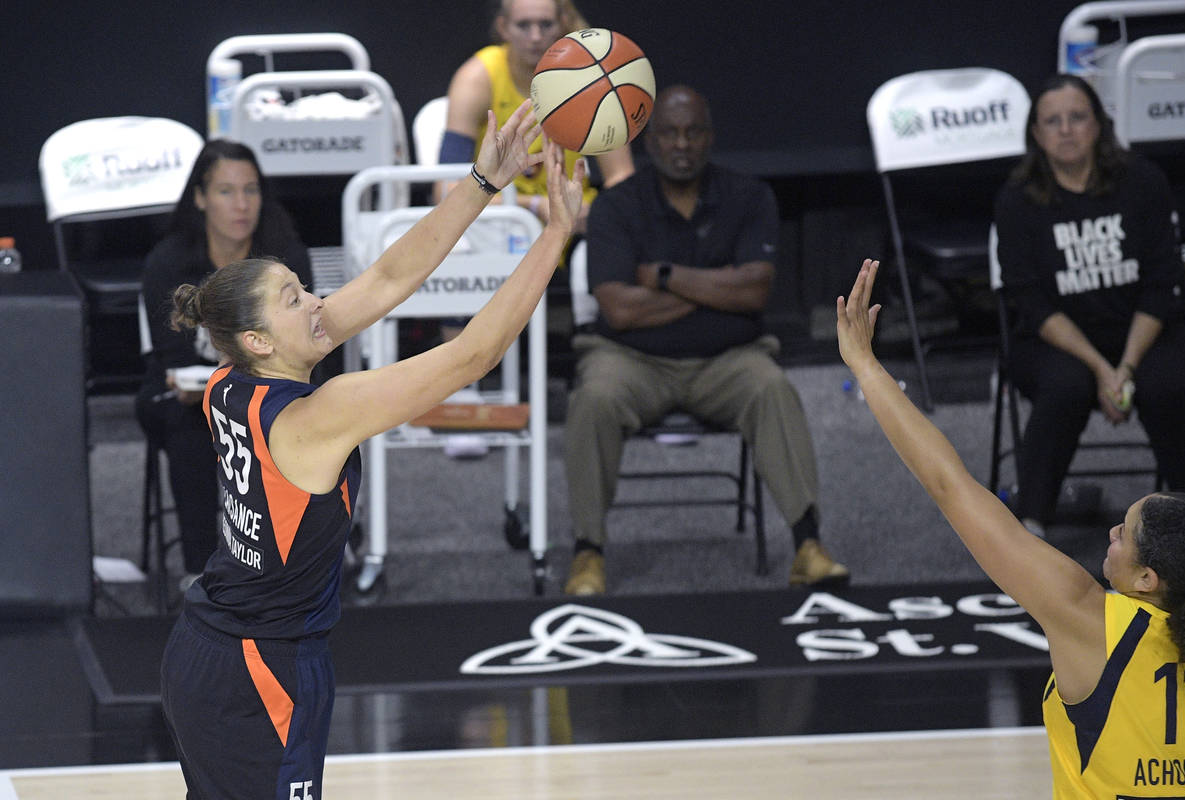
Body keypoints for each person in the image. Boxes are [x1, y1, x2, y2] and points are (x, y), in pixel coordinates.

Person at [159, 102, 583, 799]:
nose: (318, 302)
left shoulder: (228, 380)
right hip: (261, 670)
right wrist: (555, 236)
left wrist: (484, 178)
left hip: (206, 644)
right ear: (261, 340)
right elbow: (472, 356)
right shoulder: (316, 417)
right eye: (296, 299)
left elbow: (388, 279)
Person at [837, 257, 1185, 798]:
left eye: (1124, 533)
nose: (1109, 534)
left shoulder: (1089, 620)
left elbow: (950, 484)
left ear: (1149, 578)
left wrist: (866, 365)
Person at [562, 85, 842, 595]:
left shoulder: (749, 196)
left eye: (693, 132)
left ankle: (809, 545)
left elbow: (755, 291)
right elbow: (620, 309)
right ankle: (588, 553)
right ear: (651, 143)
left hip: (727, 360)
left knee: (772, 388)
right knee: (593, 399)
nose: (682, 144)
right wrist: (717, 285)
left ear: (710, 139)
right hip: (631, 360)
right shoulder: (615, 207)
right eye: (669, 133)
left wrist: (665, 277)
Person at [993, 74, 1185, 537]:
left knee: (1163, 387)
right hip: (1058, 339)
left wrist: (1124, 367)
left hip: (1147, 328)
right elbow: (1028, 300)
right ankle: (1031, 524)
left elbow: (1163, 283)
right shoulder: (1016, 200)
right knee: (1066, 385)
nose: (1066, 130)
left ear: (1098, 125)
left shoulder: (1143, 182)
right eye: (1053, 121)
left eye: (1077, 117)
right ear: (1036, 133)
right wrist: (1102, 370)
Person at [136, 139, 314, 589]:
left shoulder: (284, 258)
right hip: (189, 395)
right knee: (190, 425)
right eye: (225, 191)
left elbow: (304, 346)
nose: (241, 205)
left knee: (301, 419)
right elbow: (171, 356)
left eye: (251, 190)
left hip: (275, 389)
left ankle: (300, 560)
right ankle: (200, 570)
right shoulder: (169, 262)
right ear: (199, 197)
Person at [440, 0, 634, 230]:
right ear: (503, 27)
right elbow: (446, 190)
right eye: (523, 25)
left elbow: (622, 178)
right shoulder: (477, 78)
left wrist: (597, 216)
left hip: (573, 226)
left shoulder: (591, 77)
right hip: (495, 230)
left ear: (562, 24)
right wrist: (533, 205)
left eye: (546, 24)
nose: (535, 36)